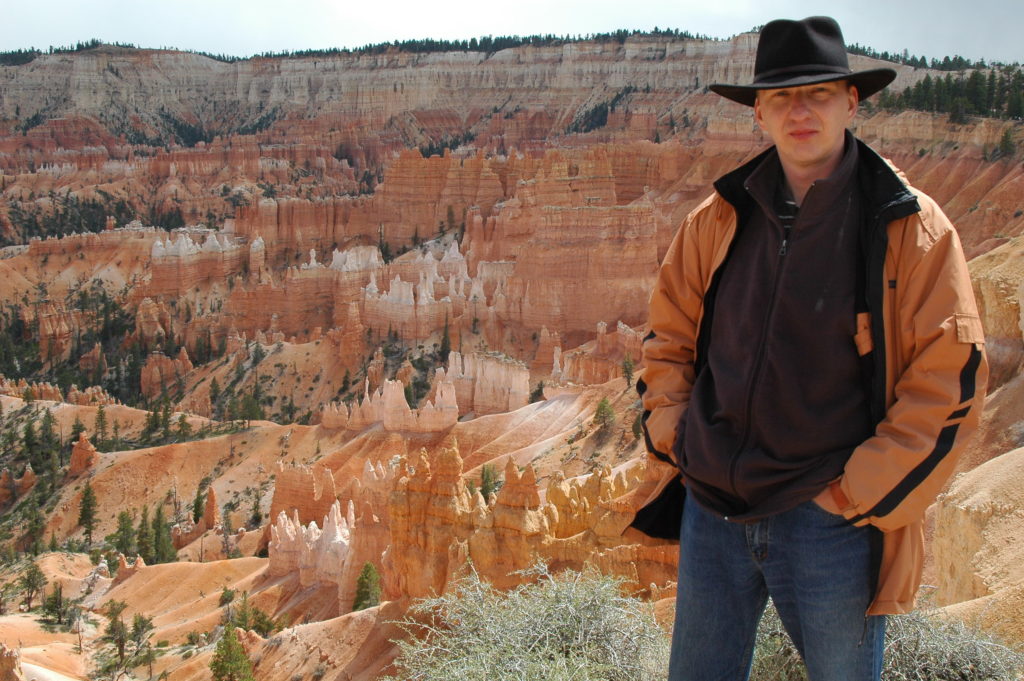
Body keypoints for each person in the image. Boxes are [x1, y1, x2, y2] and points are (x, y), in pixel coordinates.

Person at [631, 16, 988, 681]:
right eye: (783, 97)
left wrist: (854, 495)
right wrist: (676, 434)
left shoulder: (911, 228)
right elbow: (668, 335)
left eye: (819, 92)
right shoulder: (716, 220)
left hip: (829, 522)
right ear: (759, 113)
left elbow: (949, 379)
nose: (801, 111)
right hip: (715, 509)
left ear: (852, 101)